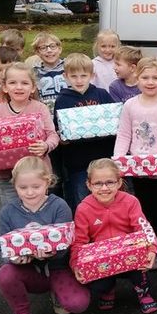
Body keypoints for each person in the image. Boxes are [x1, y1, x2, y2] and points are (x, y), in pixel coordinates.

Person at [0, 157, 90, 314]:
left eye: (36, 186)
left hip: (57, 267)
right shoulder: (8, 211)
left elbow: (68, 242)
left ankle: (57, 292)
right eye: (23, 188)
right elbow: (3, 247)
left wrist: (54, 253)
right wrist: (14, 259)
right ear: (15, 186)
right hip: (28, 270)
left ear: (47, 182)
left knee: (78, 305)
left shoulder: (59, 206)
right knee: (5, 274)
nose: (30, 192)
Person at [71, 158, 157, 314]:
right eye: (98, 183)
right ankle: (107, 290)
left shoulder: (130, 201)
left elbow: (144, 228)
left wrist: (152, 249)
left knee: (142, 268)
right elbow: (79, 241)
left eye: (110, 182)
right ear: (89, 185)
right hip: (102, 259)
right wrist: (76, 263)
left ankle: (143, 292)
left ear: (119, 183)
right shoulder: (83, 208)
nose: (104, 188)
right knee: (99, 286)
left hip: (131, 254)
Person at [0, 63, 60, 206]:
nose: (19, 87)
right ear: (4, 87)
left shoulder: (40, 108)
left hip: (37, 176)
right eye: (13, 82)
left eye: (25, 83)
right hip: (7, 178)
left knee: (38, 213)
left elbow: (52, 134)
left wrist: (46, 146)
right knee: (13, 213)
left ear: (33, 87)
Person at [114, 58, 157, 237]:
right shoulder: (130, 105)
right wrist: (119, 159)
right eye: (145, 77)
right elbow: (124, 134)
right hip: (139, 169)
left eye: (155, 77)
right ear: (137, 78)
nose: (150, 82)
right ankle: (149, 247)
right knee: (145, 211)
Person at [53, 53, 117, 211]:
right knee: (83, 201)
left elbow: (115, 121)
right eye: (73, 76)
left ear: (92, 75)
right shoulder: (62, 99)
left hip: (104, 157)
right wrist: (62, 138)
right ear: (65, 77)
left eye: (83, 75)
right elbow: (58, 129)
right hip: (78, 163)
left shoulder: (102, 94)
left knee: (110, 197)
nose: (79, 80)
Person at [32, 32, 68, 113]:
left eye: (52, 46)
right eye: (43, 48)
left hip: (69, 112)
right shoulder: (34, 73)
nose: (49, 50)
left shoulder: (70, 66)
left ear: (59, 49)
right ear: (37, 52)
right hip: (47, 114)